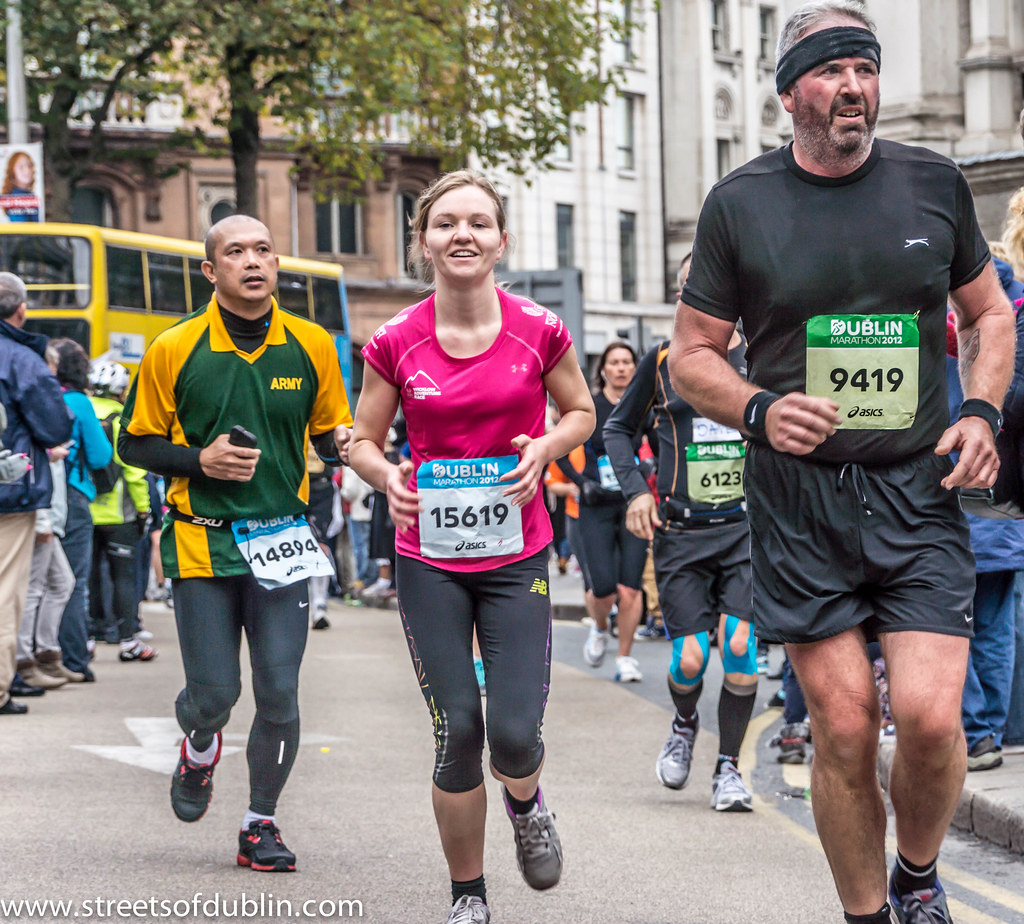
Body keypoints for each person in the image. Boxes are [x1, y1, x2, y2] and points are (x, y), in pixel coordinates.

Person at [669, 3, 1015, 922]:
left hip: (916, 490)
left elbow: (989, 315)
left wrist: (980, 411)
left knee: (936, 725)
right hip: (800, 504)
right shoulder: (739, 204)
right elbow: (690, 354)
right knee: (848, 725)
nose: (854, 85)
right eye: (831, 71)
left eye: (865, 67)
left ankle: (916, 876)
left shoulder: (934, 184)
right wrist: (759, 407)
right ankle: (868, 913)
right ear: (790, 95)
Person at [350, 169, 594, 924]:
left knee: (515, 737)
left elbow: (581, 411)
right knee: (458, 730)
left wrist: (544, 447)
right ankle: (469, 896)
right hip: (428, 557)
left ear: (501, 240)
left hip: (516, 553)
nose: (463, 235)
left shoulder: (538, 329)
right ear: (423, 241)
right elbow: (360, 440)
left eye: (478, 223)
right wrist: (387, 474)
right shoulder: (395, 340)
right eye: (446, 223)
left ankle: (528, 807)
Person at [118, 214, 352, 872]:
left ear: (277, 265)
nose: (254, 261)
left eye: (264, 250)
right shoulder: (175, 347)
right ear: (210, 270)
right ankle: (198, 745)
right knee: (215, 695)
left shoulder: (309, 345)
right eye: (236, 252)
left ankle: (260, 822)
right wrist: (199, 462)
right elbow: (132, 443)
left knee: (279, 690)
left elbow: (336, 437)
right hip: (202, 546)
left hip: (280, 542)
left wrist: (367, 450)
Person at [605, 256, 760, 813]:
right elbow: (617, 428)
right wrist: (637, 492)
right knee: (691, 658)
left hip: (744, 530)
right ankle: (685, 723)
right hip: (682, 533)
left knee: (740, 647)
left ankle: (729, 769)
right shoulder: (663, 361)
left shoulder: (759, 357)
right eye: (690, 290)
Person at [0, 272, 73, 715]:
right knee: (6, 591)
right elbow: (54, 425)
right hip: (9, 491)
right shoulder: (22, 360)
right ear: (21, 309)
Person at [557, 342, 650, 682]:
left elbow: (659, 443)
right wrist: (582, 483)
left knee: (630, 589)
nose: (622, 368)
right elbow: (561, 453)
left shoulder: (643, 406)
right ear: (604, 369)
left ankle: (625, 657)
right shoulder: (591, 407)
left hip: (632, 506)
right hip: (595, 506)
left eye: (627, 362)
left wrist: (649, 467)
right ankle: (599, 627)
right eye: (615, 362)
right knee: (603, 590)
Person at [51, 338, 112, 682]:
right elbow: (102, 456)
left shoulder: (42, 396)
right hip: (74, 496)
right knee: (72, 581)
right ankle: (73, 657)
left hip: (37, 495)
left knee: (38, 584)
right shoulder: (79, 403)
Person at [87, 360, 156, 662]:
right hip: (120, 516)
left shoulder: (81, 411)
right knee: (124, 577)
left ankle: (89, 635)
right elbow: (134, 472)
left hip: (83, 513)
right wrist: (143, 509)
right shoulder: (121, 420)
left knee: (86, 577)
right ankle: (128, 640)